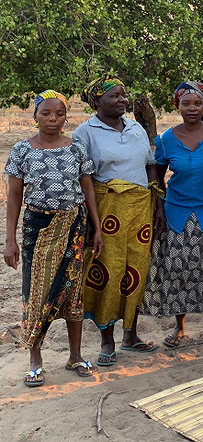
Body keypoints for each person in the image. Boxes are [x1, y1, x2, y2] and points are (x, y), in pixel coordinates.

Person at [4, 90, 103, 386]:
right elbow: (14, 196)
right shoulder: (22, 150)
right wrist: (10, 240)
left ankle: (75, 356)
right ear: (35, 115)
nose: (53, 119)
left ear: (66, 117)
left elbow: (87, 190)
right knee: (36, 292)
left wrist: (96, 228)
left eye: (59, 114)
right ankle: (35, 359)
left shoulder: (76, 148)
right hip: (38, 228)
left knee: (73, 291)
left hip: (74, 225)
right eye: (46, 113)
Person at [73, 75, 164, 366]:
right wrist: (90, 221)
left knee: (136, 268)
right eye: (114, 96)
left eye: (124, 95)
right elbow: (81, 178)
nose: (123, 100)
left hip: (140, 209)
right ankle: (107, 341)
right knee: (108, 271)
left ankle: (131, 335)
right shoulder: (85, 132)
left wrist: (157, 203)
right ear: (97, 100)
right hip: (107, 209)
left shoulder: (136, 127)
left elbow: (150, 166)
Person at [142, 81, 203, 346]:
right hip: (176, 213)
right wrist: (159, 209)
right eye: (186, 103)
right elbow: (157, 179)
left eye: (197, 103)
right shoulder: (165, 140)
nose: (192, 108)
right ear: (178, 106)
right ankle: (180, 327)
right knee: (177, 270)